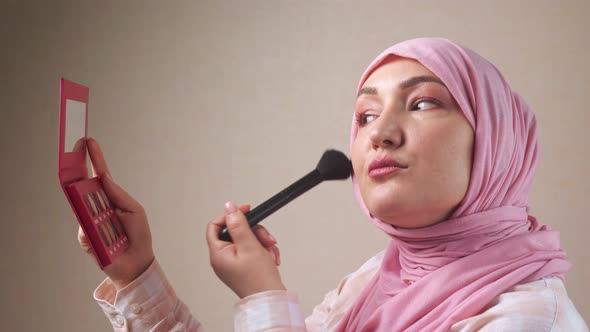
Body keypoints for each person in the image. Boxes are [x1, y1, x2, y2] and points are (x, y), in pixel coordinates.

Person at [79, 38, 588, 331]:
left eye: (424, 103)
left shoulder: (528, 318)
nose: (381, 134)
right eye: (365, 115)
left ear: (498, 142)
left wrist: (263, 297)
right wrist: (136, 272)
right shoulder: (371, 283)